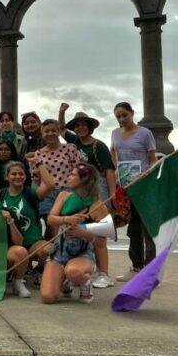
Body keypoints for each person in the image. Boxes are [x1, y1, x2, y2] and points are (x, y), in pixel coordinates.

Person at [59, 105, 117, 288]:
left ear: (90, 127)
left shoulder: (98, 146)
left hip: (97, 187)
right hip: (78, 190)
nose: (80, 128)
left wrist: (113, 194)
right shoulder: (74, 141)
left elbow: (108, 171)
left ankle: (104, 273)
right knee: (80, 229)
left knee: (100, 232)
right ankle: (83, 269)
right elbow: (61, 129)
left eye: (84, 125)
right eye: (77, 126)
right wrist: (61, 112)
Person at [41, 164, 108, 304]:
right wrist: (66, 219)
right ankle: (65, 280)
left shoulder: (98, 206)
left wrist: (84, 232)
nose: (68, 177)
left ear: (84, 179)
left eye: (72, 175)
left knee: (74, 272)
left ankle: (84, 282)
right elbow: (50, 219)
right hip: (60, 251)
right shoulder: (64, 196)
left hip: (82, 252)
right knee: (48, 297)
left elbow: (101, 243)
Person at [110, 101, 157, 283]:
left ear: (132, 113)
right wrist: (116, 172)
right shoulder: (115, 133)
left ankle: (151, 271)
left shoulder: (145, 134)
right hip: (126, 188)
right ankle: (136, 266)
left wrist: (145, 175)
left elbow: (153, 160)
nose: (122, 119)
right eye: (118, 117)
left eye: (124, 115)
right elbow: (113, 152)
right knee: (133, 228)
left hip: (144, 186)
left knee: (148, 229)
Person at [0, 158, 55, 285]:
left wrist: (39, 163)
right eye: (13, 174)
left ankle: (39, 271)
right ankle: (18, 270)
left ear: (25, 177)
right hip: (12, 244)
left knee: (48, 249)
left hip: (32, 242)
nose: (18, 176)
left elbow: (51, 185)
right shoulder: (0, 194)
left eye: (21, 174)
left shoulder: (31, 192)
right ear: (7, 177)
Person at [29, 119, 80, 234]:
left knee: (69, 226)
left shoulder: (70, 148)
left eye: (53, 130)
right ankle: (53, 250)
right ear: (42, 134)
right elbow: (35, 179)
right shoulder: (37, 154)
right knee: (52, 225)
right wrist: (33, 198)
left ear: (58, 132)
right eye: (46, 131)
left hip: (68, 191)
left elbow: (77, 172)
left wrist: (79, 193)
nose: (50, 133)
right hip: (47, 194)